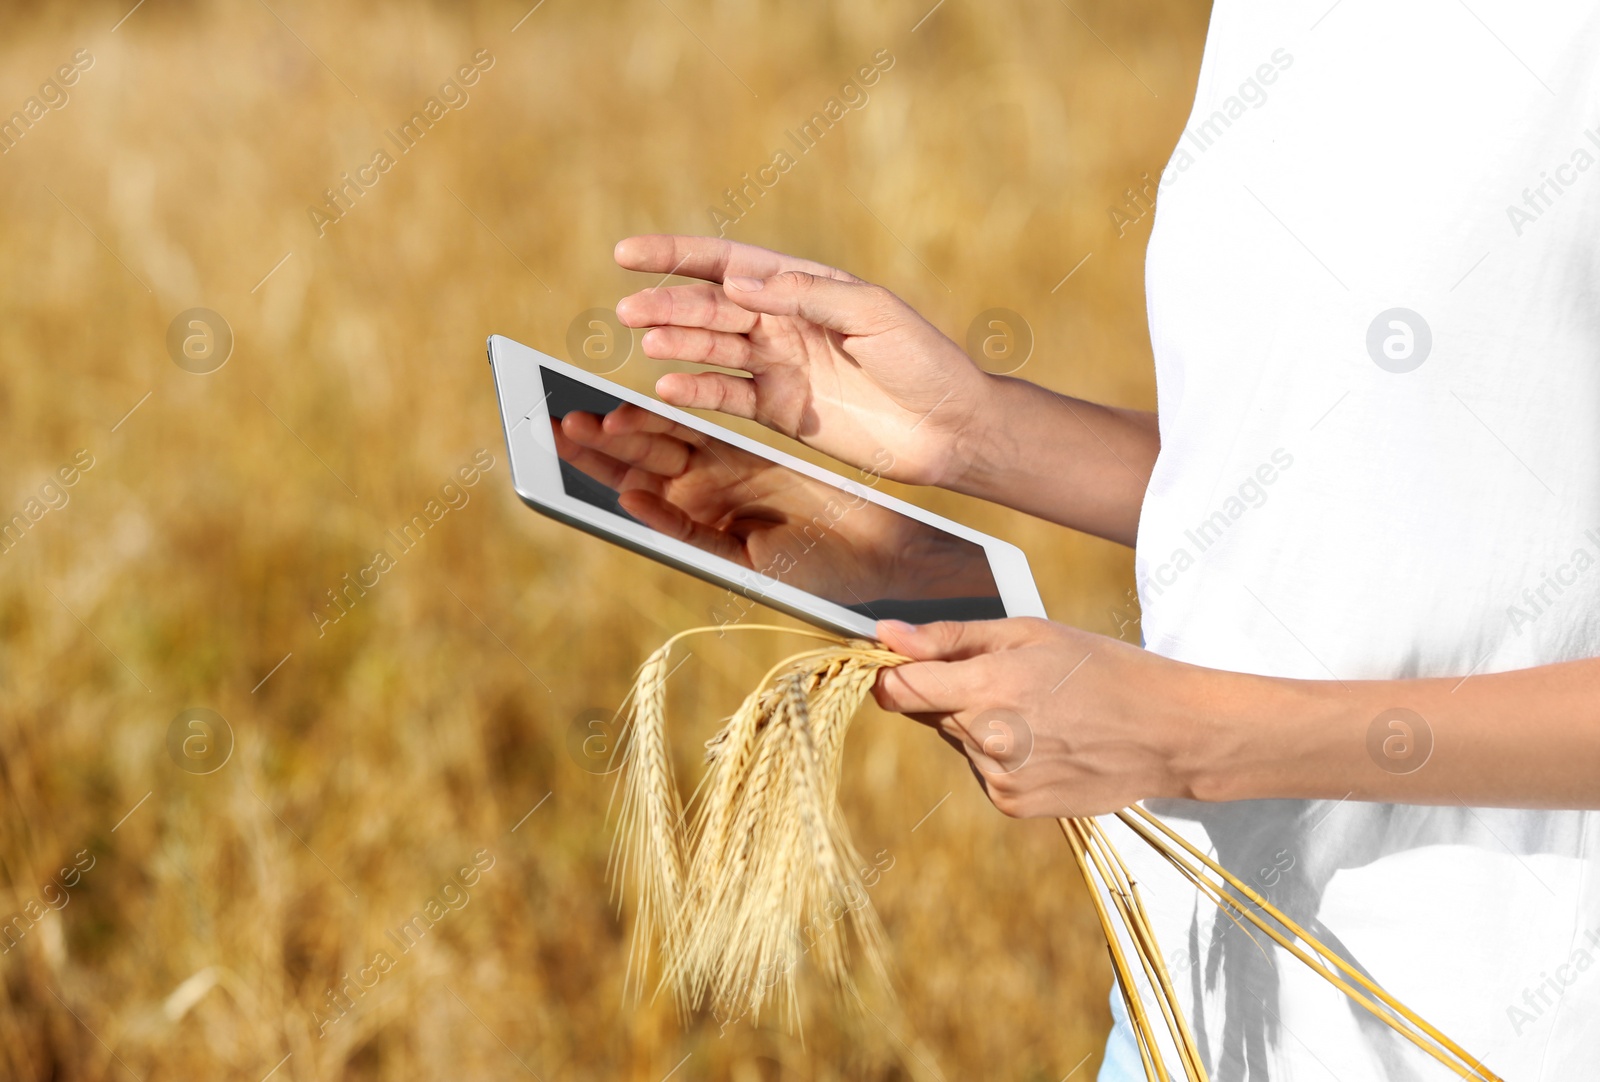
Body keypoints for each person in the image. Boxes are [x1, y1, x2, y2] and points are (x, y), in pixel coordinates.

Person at [608, 3, 1600, 1076]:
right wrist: (974, 433)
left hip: (1483, 1029)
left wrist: (1192, 739)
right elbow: (1345, 480)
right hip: (1190, 995)